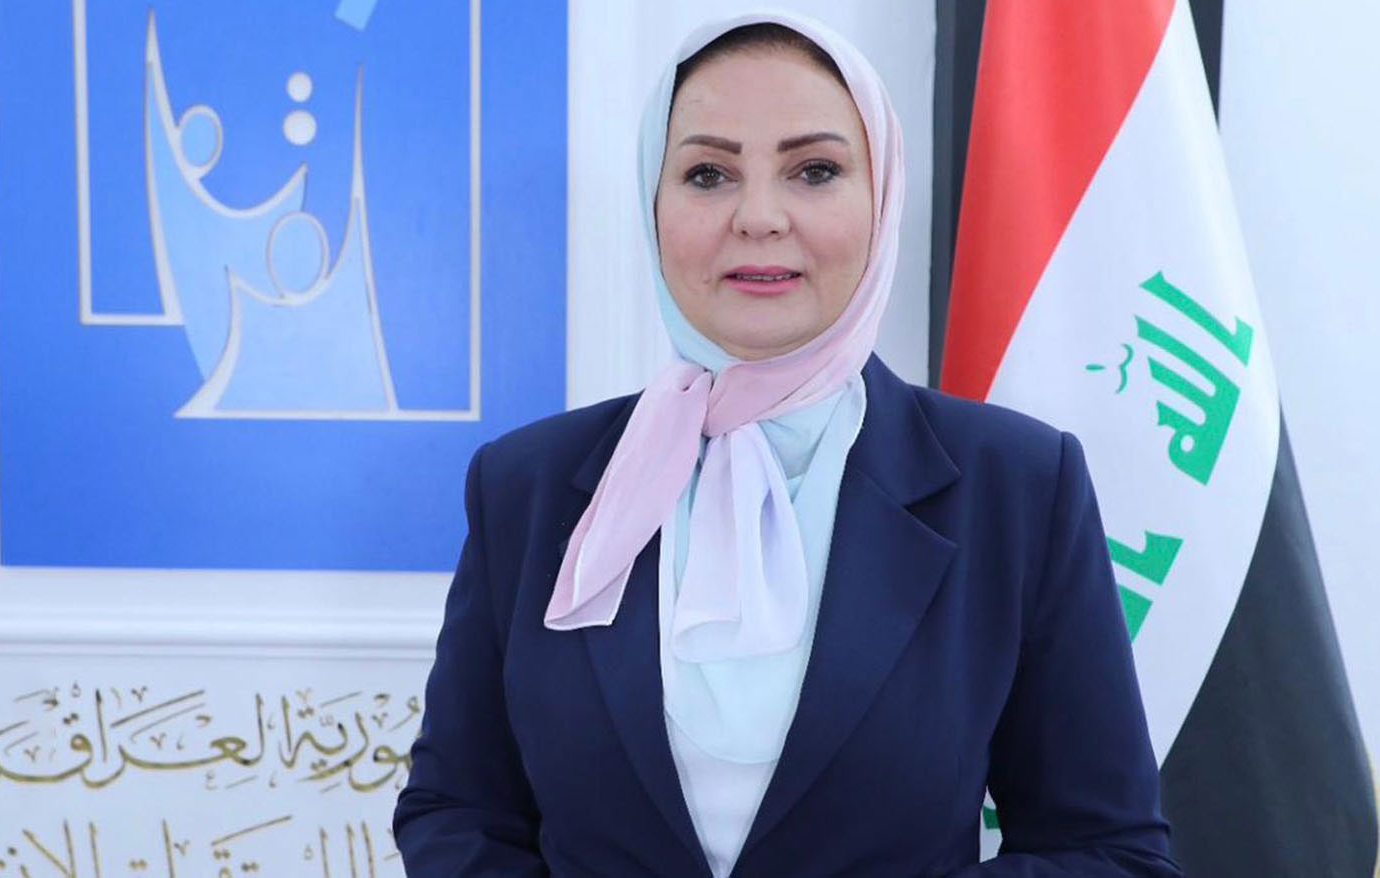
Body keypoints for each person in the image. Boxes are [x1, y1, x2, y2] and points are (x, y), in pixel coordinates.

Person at [394, 10, 1181, 877]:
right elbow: (458, 811)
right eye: (708, 173)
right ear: (653, 204)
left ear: (881, 200)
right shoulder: (526, 487)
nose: (759, 217)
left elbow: (1108, 851)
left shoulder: (1018, 486)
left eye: (814, 171)